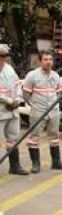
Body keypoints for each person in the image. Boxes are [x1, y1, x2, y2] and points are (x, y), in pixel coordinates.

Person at [22, 50, 62, 173]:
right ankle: (36, 164)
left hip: (53, 110)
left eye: (50, 59)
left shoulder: (55, 76)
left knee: (54, 136)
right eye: (46, 59)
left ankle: (56, 162)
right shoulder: (32, 75)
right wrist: (33, 105)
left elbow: (58, 92)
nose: (49, 62)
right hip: (38, 110)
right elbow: (26, 94)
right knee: (34, 137)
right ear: (40, 61)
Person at [0, 44, 28, 175]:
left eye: (4, 57)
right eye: (1, 56)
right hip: (1, 111)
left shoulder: (9, 69)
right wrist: (9, 101)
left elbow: (18, 85)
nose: (2, 59)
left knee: (13, 138)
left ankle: (14, 166)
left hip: (12, 111)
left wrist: (17, 99)